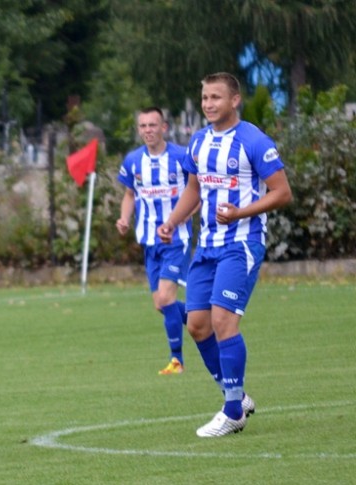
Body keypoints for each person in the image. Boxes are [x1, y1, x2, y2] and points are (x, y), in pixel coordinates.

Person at [158, 72, 292, 437]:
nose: (208, 104)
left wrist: (240, 213)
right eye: (205, 98)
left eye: (216, 97)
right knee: (197, 325)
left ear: (235, 100)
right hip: (207, 246)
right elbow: (194, 189)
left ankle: (232, 411)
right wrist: (172, 221)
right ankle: (237, 396)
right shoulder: (199, 141)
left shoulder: (253, 140)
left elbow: (282, 192)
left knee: (223, 322)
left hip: (242, 244)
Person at [116, 107, 192, 375]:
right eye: (143, 126)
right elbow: (130, 194)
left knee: (167, 297)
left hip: (176, 239)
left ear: (164, 128)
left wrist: (181, 219)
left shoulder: (181, 157)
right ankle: (204, 321)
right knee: (161, 304)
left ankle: (177, 361)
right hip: (149, 241)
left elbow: (197, 193)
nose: (148, 130)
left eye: (152, 125)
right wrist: (124, 218)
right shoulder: (133, 160)